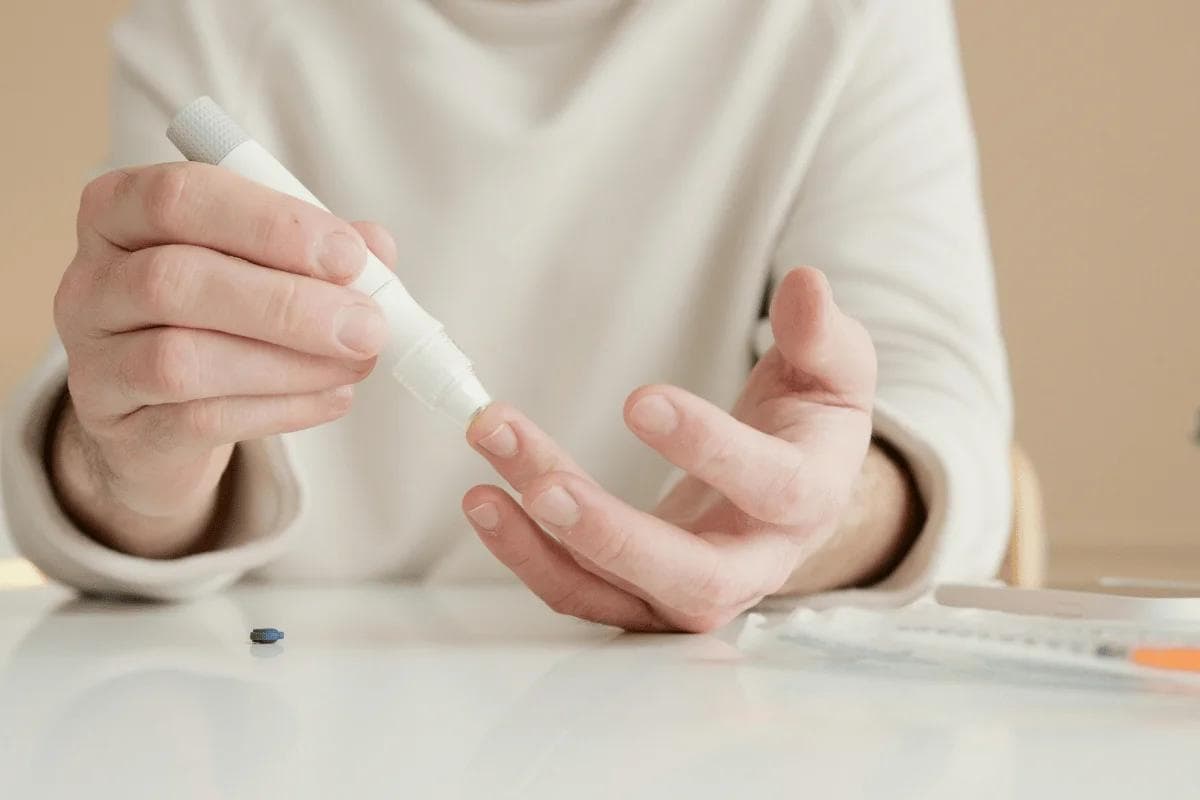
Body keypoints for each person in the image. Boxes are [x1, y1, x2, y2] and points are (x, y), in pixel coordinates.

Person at [1, 0, 1011, 632]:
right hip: (265, 706)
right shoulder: (215, 19)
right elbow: (107, 419)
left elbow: (936, 397)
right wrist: (135, 456)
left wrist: (813, 513)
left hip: (687, 716)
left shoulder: (847, 18)